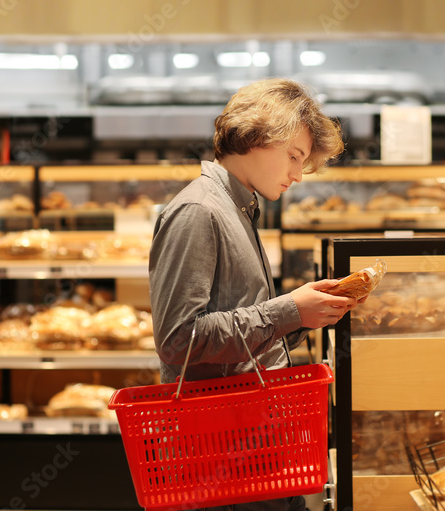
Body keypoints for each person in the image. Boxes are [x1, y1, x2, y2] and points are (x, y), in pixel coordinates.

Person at [149, 78, 358, 511]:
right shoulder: (198, 211)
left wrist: (305, 314)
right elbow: (178, 340)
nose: (298, 175)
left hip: (254, 452)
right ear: (257, 136)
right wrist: (287, 310)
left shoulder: (238, 207)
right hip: (219, 464)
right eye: (295, 157)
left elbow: (238, 336)